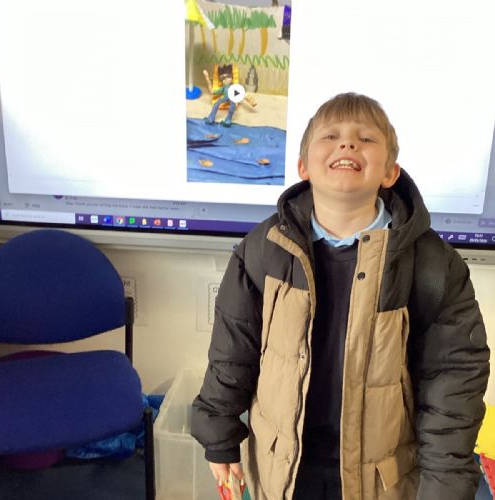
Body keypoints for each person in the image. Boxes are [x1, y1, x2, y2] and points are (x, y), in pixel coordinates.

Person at [191, 92, 490, 499]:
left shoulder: (431, 263)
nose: (347, 143)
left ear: (390, 172)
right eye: (330, 136)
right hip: (283, 470)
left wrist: (445, 484)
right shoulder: (262, 249)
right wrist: (219, 434)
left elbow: (453, 379)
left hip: (381, 477)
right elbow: (232, 351)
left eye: (365, 138)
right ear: (303, 167)